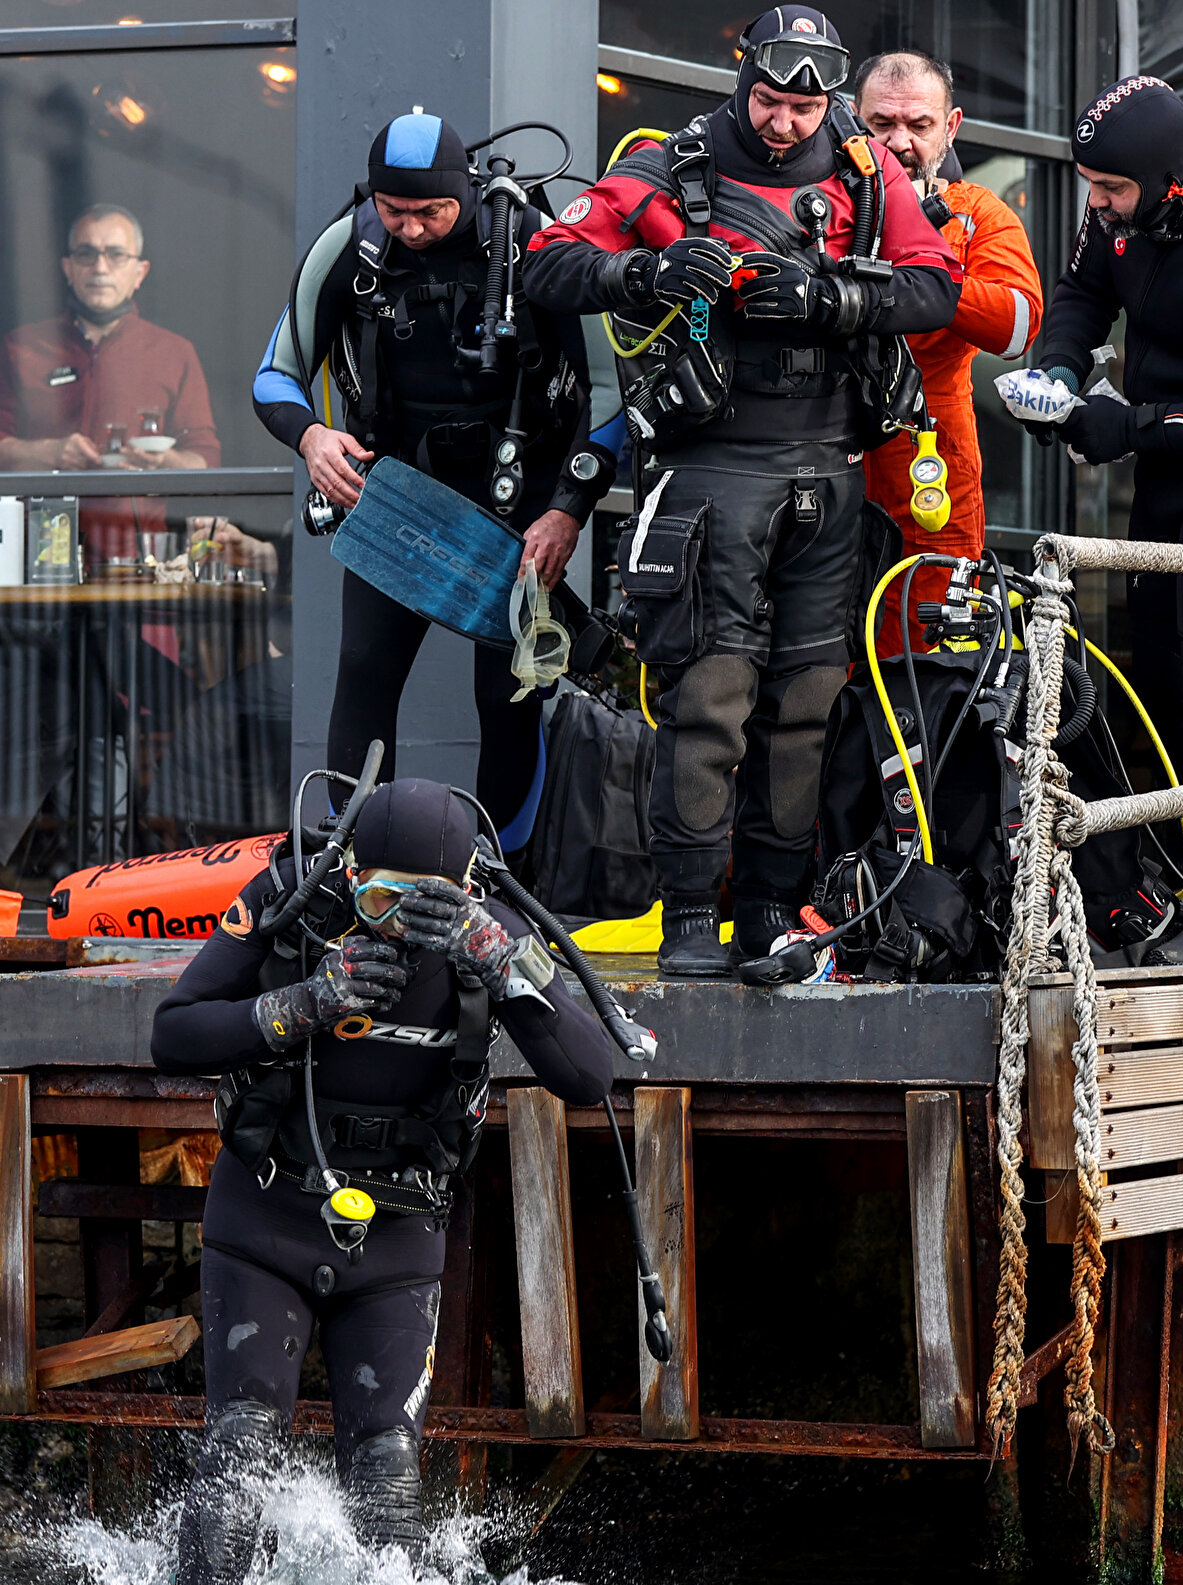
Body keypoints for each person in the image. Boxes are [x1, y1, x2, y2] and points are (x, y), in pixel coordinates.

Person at [522, 6, 961, 975]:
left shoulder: (860, 165)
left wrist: (836, 295)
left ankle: (766, 909)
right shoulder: (677, 162)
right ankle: (688, 918)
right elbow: (546, 260)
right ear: (743, 79)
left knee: (807, 699)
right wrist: (645, 271)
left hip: (830, 468)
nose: (784, 124)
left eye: (805, 107)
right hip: (712, 462)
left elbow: (939, 285)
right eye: (769, 101)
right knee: (709, 700)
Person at [151, 776, 613, 1585]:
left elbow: (590, 1077)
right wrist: (302, 1004)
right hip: (268, 1214)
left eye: (426, 905)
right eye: (379, 897)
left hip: (399, 1235)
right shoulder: (296, 902)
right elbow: (171, 1033)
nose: (398, 921)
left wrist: (501, 959)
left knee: (388, 1473)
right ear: (348, 869)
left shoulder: (488, 937)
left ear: (467, 893)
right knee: (242, 1449)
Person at [253, 113, 621, 856]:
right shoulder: (350, 245)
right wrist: (313, 436)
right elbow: (275, 374)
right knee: (364, 669)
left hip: (517, 507)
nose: (413, 228)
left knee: (509, 691)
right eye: (396, 211)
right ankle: (353, 865)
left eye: (431, 211)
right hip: (400, 499)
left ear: (464, 194)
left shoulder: (529, 242)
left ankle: (504, 875)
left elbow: (609, 390)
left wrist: (568, 512)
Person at [1009, 76, 1183, 782]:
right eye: (1088, 182)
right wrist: (1055, 375)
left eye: (1111, 187)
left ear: (1169, 183)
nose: (1095, 201)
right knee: (1153, 674)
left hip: (1179, 456)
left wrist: (1129, 426)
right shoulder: (1120, 215)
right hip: (1160, 483)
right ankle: (1165, 875)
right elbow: (1082, 291)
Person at [856, 51, 1043, 658]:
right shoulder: (819, 208)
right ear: (852, 122)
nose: (899, 141)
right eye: (881, 124)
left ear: (952, 127)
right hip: (814, 462)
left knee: (927, 672)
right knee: (806, 672)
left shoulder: (977, 212)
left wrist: (923, 272)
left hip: (929, 473)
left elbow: (1016, 327)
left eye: (919, 125)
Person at [0, 204, 220, 474]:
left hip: (135, 517)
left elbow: (206, 459)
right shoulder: (22, 348)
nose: (100, 268)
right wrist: (51, 453)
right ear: (68, 269)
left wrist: (162, 462)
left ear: (140, 272)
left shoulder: (174, 353)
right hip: (47, 516)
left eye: (116, 254)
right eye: (86, 254)